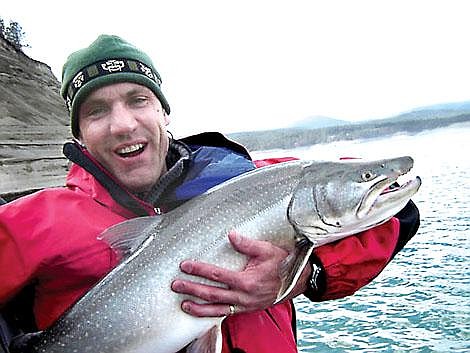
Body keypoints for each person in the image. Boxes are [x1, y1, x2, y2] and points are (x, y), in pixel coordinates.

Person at [0, 34, 420, 353]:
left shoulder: (253, 180)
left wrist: (299, 278)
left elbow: (401, 215)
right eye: (96, 111)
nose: (123, 124)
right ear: (79, 134)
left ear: (163, 111)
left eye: (138, 100)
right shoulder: (32, 221)